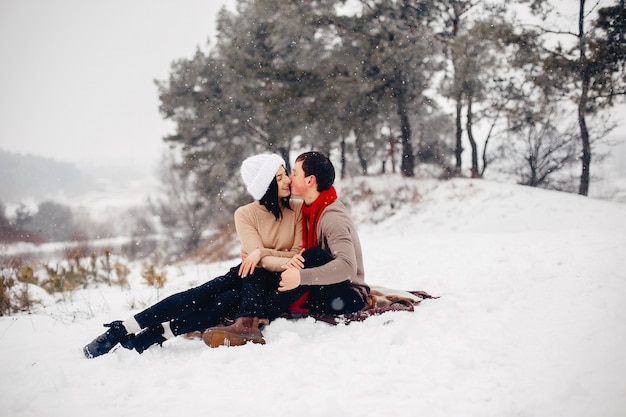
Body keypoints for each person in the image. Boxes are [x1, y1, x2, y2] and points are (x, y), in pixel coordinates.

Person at [83, 153, 303, 358]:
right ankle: (122, 329)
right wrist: (265, 256)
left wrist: (262, 252)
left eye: (285, 175)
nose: (288, 181)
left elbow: (289, 254)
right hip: (249, 272)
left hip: (275, 280)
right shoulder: (245, 214)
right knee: (200, 293)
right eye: (280, 177)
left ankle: (155, 335)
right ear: (266, 185)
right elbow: (258, 260)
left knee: (226, 301)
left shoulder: (297, 209)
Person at [203, 151, 370, 347]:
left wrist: (301, 277)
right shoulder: (309, 208)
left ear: (310, 181)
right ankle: (243, 319)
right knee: (239, 287)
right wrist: (259, 252)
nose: (290, 179)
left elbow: (347, 267)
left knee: (311, 256)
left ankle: (250, 319)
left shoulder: (332, 217)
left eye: (295, 173)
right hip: (321, 285)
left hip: (347, 294)